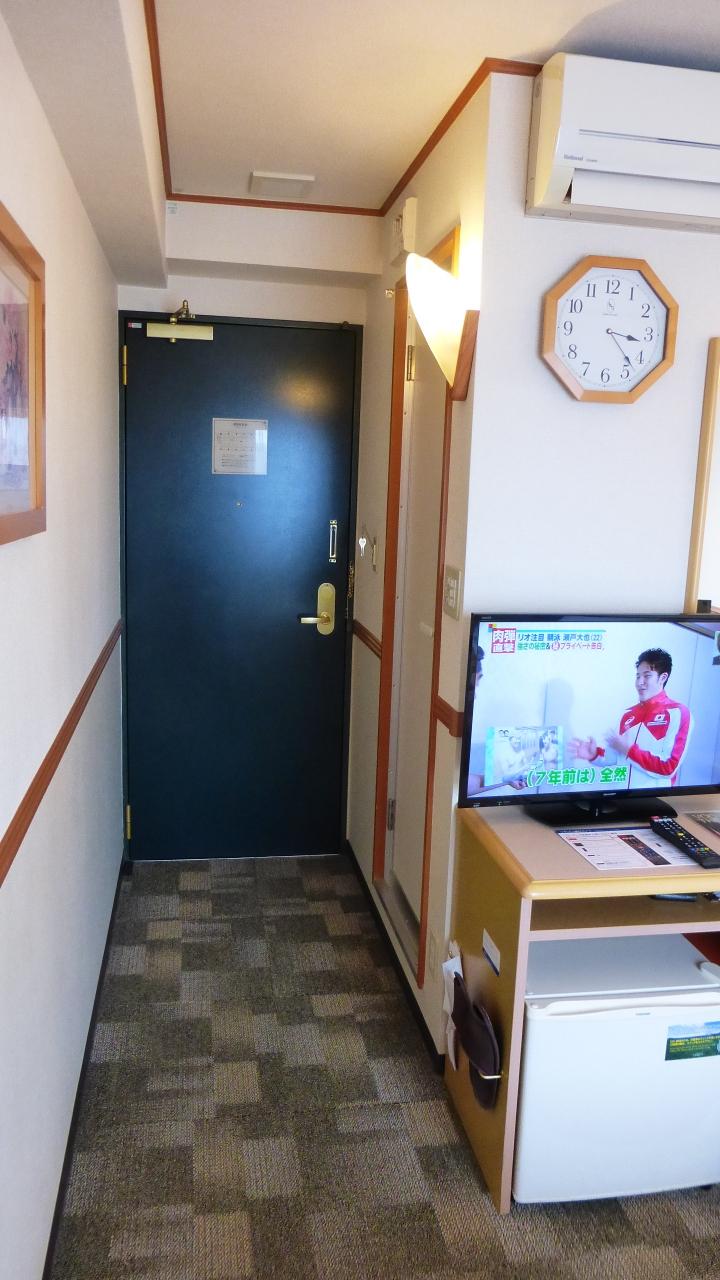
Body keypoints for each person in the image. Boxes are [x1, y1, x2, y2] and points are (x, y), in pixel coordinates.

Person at [568, 648, 692, 785]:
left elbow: (668, 767)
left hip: (656, 798)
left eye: (647, 676)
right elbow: (614, 758)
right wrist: (594, 754)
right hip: (622, 797)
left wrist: (629, 750)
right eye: (638, 676)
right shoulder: (627, 714)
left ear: (663, 677)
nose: (640, 682)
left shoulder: (677, 712)